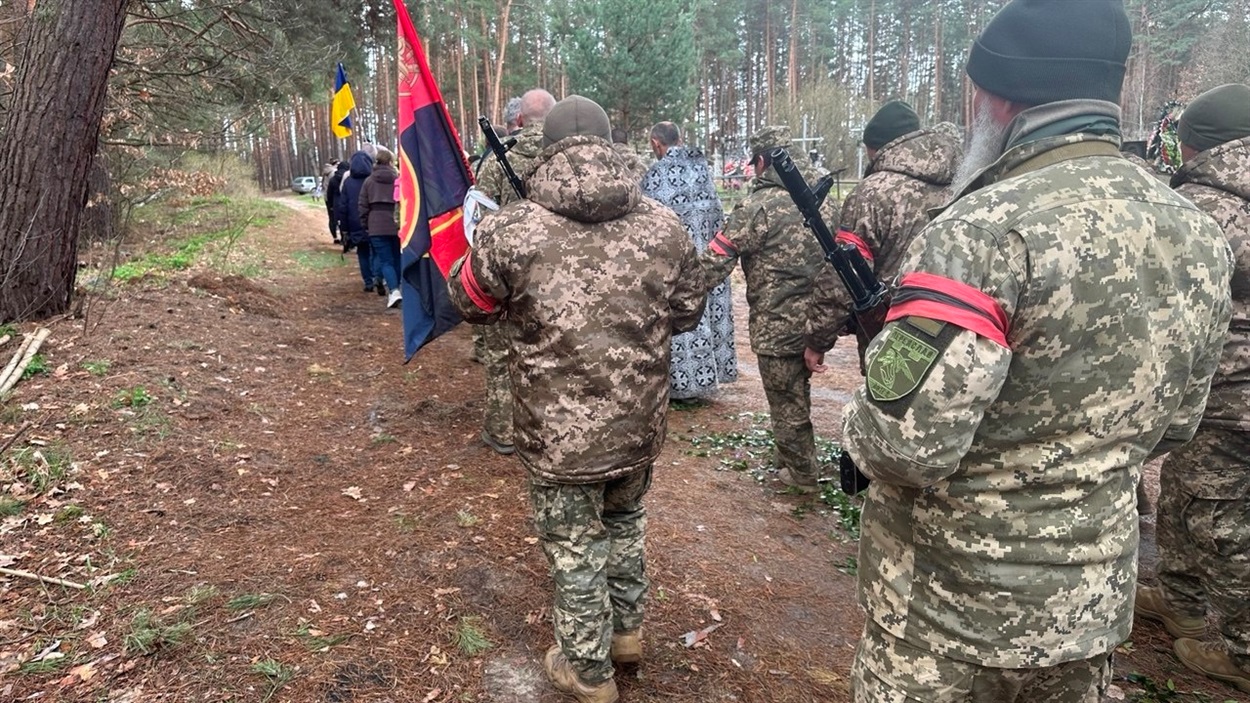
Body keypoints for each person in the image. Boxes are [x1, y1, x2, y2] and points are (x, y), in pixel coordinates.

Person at [840, 2, 1233, 702]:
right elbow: (1176, 424)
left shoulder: (983, 231)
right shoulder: (1197, 233)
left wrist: (855, 420)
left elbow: (906, 441)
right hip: (1085, 610)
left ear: (999, 94)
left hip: (950, 612)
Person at [447, 95, 706, 703]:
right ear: (612, 144)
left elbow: (469, 304)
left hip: (555, 430)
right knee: (624, 519)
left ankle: (588, 671)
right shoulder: (663, 225)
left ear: (548, 148)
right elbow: (689, 310)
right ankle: (627, 634)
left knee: (574, 542)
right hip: (639, 422)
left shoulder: (513, 227)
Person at [1134, 82, 1250, 694]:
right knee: (1186, 485)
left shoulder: (1203, 209)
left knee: (1220, 514)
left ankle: (1243, 649)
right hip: (1229, 387)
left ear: (1194, 142)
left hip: (1226, 387)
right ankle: (1176, 593)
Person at [699, 125, 827, 492]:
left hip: (777, 321)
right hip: (820, 317)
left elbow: (716, 259)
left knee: (786, 401)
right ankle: (790, 456)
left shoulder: (758, 206)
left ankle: (802, 475)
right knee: (797, 392)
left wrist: (677, 292)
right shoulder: (824, 198)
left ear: (761, 162)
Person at [804, 100, 960, 373]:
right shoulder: (964, 181)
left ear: (876, 148)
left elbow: (843, 274)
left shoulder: (872, 193)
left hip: (893, 335)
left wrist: (818, 339)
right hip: (958, 332)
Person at [473, 88, 556, 455]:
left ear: (519, 119)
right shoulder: (564, 159)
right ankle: (549, 430)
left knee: (500, 354)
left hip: (507, 277)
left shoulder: (496, 162)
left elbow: (478, 223)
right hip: (558, 277)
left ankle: (502, 431)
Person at [641, 120, 737, 401]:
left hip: (674, 263)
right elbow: (719, 216)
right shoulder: (702, 170)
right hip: (707, 259)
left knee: (679, 316)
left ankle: (680, 387)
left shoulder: (655, 176)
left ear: (655, 144)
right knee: (704, 315)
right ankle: (707, 380)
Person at [358, 147, 403, 308]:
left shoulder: (369, 182)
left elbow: (362, 206)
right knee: (397, 257)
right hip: (397, 224)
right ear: (391, 162)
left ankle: (393, 290)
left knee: (385, 260)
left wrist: (365, 225)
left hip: (376, 225)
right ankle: (397, 287)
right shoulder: (398, 179)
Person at [335, 147, 376, 294]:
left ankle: (368, 282)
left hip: (355, 223)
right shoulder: (372, 180)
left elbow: (343, 206)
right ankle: (377, 277)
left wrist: (344, 228)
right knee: (375, 251)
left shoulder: (348, 183)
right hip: (373, 222)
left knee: (362, 252)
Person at [325, 159, 347, 245]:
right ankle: (345, 239)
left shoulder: (333, 178)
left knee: (334, 220)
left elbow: (329, 192)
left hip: (335, 202)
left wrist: (330, 204)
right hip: (345, 201)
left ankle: (335, 237)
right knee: (345, 220)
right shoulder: (348, 178)